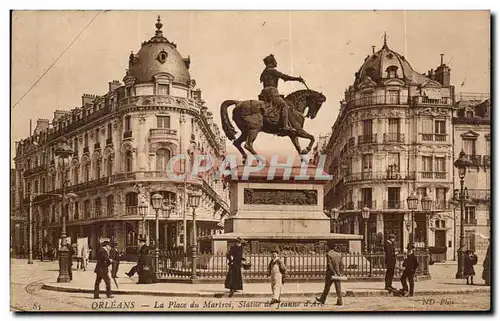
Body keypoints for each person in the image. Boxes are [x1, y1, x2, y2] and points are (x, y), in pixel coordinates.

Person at [259, 54, 304, 136]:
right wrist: (297, 79)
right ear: (271, 62)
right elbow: (285, 77)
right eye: (274, 61)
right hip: (272, 91)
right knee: (283, 105)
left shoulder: (264, 72)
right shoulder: (272, 70)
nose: (276, 62)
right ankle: (285, 126)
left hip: (264, 93)